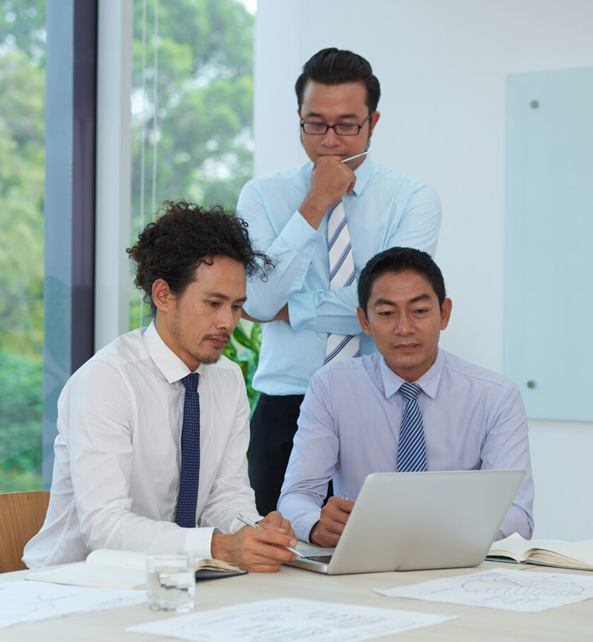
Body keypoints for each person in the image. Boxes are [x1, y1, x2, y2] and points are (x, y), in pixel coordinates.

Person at [24, 202, 297, 573]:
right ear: (163, 295)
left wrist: (253, 532)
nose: (226, 323)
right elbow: (104, 527)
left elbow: (226, 497)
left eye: (235, 307)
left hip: (179, 581)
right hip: (73, 584)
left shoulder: (227, 379)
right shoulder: (107, 380)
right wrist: (217, 546)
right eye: (213, 303)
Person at [238, 48, 442, 514]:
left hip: (382, 404)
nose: (330, 141)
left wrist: (295, 310)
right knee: (277, 561)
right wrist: (314, 204)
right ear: (299, 118)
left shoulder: (412, 199)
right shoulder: (263, 196)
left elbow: (392, 307)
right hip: (285, 407)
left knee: (386, 552)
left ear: (373, 121)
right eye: (315, 124)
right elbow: (261, 298)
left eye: (347, 125)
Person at [278, 247, 534, 546]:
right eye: (386, 313)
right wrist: (316, 526)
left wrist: (425, 532)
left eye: (420, 311)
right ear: (364, 321)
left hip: (458, 564)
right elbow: (297, 496)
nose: (404, 328)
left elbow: (517, 516)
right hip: (363, 560)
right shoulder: (332, 387)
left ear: (445, 314)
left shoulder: (495, 396)